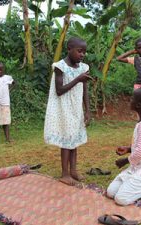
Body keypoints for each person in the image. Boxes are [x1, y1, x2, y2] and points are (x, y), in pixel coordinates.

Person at [44, 37, 92, 186]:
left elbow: (85, 90)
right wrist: (78, 79)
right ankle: (64, 174)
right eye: (79, 51)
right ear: (69, 49)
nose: (82, 54)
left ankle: (73, 171)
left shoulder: (84, 68)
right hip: (63, 109)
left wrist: (87, 110)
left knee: (74, 140)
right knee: (66, 140)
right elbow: (59, 91)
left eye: (84, 52)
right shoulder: (60, 67)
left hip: (76, 108)